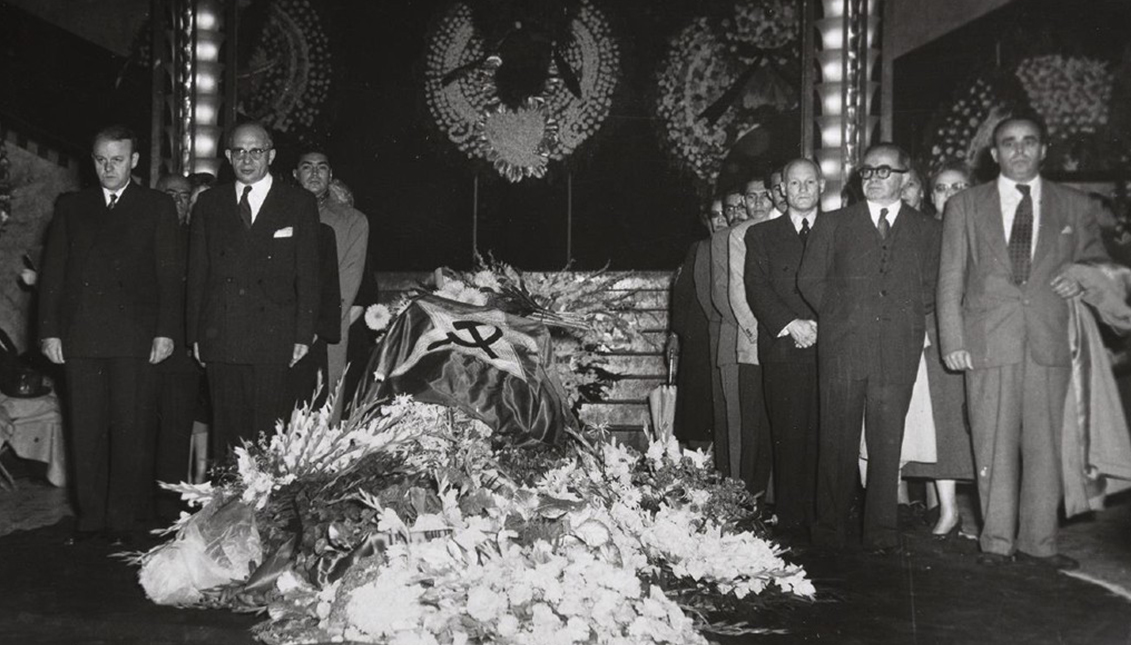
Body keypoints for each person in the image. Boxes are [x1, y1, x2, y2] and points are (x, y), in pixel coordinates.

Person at [937, 114, 1108, 569]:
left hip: (1050, 343)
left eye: (1029, 142)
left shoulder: (1075, 205)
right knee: (991, 446)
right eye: (1008, 143)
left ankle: (1040, 543)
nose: (1018, 151)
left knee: (1046, 447)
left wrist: (1082, 277)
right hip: (987, 343)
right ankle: (995, 543)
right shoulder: (966, 206)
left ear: (1044, 149)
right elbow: (949, 279)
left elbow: (1100, 265)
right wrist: (952, 339)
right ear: (993, 154)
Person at [38, 125, 183, 544]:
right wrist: (49, 332)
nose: (108, 168)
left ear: (134, 161)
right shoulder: (72, 206)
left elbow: (168, 278)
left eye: (117, 160)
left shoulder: (156, 206)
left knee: (130, 428)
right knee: (85, 429)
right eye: (101, 159)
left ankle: (121, 517)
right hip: (81, 339)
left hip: (135, 340)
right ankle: (90, 517)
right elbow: (53, 276)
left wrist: (165, 332)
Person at [799, 143, 941, 553]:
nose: (874, 177)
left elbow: (931, 287)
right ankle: (829, 529)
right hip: (843, 347)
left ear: (904, 177)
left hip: (898, 349)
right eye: (867, 171)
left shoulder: (927, 229)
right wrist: (843, 315)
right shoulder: (834, 224)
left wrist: (900, 317)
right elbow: (810, 280)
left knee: (886, 443)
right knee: (836, 441)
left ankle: (881, 532)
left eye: (884, 170)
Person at [186, 122, 320, 457]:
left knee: (269, 436)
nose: (247, 160)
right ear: (229, 156)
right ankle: (225, 508)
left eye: (256, 151)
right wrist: (195, 335)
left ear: (271, 155)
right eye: (239, 152)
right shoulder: (209, 204)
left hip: (274, 338)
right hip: (222, 335)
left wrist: (303, 335)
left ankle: (266, 511)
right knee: (226, 438)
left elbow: (309, 275)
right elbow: (197, 274)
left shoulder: (298, 202)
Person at [744, 158, 822, 539]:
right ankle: (791, 521)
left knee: (828, 435)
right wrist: (793, 325)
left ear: (821, 186)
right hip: (784, 349)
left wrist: (823, 327)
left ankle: (826, 519)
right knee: (788, 436)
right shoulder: (761, 236)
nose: (803, 189)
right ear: (783, 190)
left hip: (830, 348)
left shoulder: (838, 229)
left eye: (810, 182)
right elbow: (757, 289)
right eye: (795, 183)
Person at [901, 162, 975, 539]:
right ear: (932, 196)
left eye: (959, 186)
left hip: (985, 336)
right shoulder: (925, 232)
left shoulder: (987, 226)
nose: (951, 194)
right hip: (937, 337)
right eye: (943, 188)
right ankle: (948, 511)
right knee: (945, 425)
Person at [148, 173, 205, 519]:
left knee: (174, 433)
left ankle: (167, 510)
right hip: (139, 351)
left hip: (182, 355)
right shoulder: (140, 234)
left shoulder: (195, 240)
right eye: (169, 194)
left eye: (184, 196)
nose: (177, 202)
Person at [293, 151, 369, 391]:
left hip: (327, 329)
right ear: (296, 174)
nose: (315, 173)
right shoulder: (278, 214)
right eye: (307, 167)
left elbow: (348, 280)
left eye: (321, 168)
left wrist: (313, 330)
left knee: (323, 407)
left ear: (331, 175)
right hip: (283, 327)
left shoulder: (353, 221)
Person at [669, 203, 719, 446]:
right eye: (715, 215)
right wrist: (679, 335)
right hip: (700, 342)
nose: (720, 220)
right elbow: (682, 297)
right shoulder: (698, 251)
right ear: (707, 220)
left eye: (726, 213)